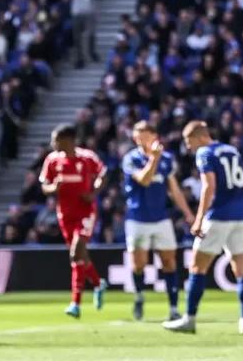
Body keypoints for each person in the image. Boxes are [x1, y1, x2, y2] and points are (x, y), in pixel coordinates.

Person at [163, 121, 243, 335]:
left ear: (199, 136)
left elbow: (209, 186)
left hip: (218, 216)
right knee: (242, 270)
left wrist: (198, 219)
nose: (188, 146)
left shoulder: (205, 153)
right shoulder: (232, 150)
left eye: (188, 141)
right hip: (242, 217)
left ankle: (189, 319)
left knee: (197, 267)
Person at [122, 121, 194, 321]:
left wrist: (188, 213)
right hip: (137, 219)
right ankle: (139, 296)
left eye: (144, 136)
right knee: (139, 264)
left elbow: (174, 190)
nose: (140, 140)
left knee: (169, 261)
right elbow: (144, 180)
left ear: (154, 136)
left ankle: (173, 308)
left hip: (161, 218)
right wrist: (153, 159)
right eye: (137, 136)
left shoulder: (167, 159)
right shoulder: (130, 159)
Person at [39, 124, 108, 318]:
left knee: (75, 254)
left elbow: (102, 173)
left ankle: (75, 304)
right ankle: (98, 283)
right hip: (65, 215)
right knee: (82, 255)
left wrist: (93, 193)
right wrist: (53, 188)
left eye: (55, 139)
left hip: (85, 212)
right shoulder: (52, 160)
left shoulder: (87, 157)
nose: (52, 144)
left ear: (67, 140)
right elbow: (44, 185)